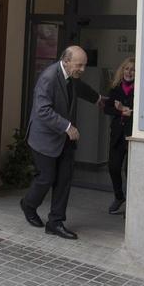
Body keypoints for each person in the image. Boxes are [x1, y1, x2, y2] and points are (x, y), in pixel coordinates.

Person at [19, 46, 100, 240]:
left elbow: (80, 88)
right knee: (46, 178)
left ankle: (55, 222)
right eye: (79, 65)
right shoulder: (48, 78)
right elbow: (42, 110)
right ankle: (28, 205)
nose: (82, 69)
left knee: (64, 180)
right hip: (44, 138)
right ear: (66, 61)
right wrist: (67, 127)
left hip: (64, 139)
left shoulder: (71, 75)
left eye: (84, 65)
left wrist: (99, 99)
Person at [103, 57, 135, 215]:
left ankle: (132, 206)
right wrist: (120, 110)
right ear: (122, 70)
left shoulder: (140, 88)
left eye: (133, 69)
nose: (129, 72)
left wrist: (130, 111)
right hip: (117, 133)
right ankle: (119, 196)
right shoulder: (115, 88)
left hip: (132, 135)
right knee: (113, 167)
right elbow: (107, 109)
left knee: (130, 171)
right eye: (126, 69)